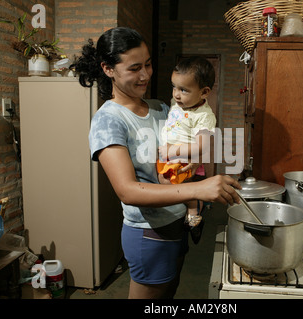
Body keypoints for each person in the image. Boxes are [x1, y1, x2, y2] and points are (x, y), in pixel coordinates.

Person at [73, 27, 240, 299]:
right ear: (108, 69)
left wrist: (198, 156)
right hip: (148, 233)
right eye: (135, 68)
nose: (145, 75)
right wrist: (198, 190)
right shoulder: (109, 120)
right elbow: (127, 191)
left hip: (177, 222)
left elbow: (200, 139)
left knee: (167, 293)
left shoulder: (161, 108)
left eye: (148, 64)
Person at [157, 56, 217, 244]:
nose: (176, 94)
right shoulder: (180, 103)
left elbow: (202, 145)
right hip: (170, 156)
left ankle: (194, 215)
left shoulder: (204, 116)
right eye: (174, 87)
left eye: (183, 90)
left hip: (184, 160)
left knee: (171, 186)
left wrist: (171, 151)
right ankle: (194, 211)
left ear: (204, 92)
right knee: (170, 186)